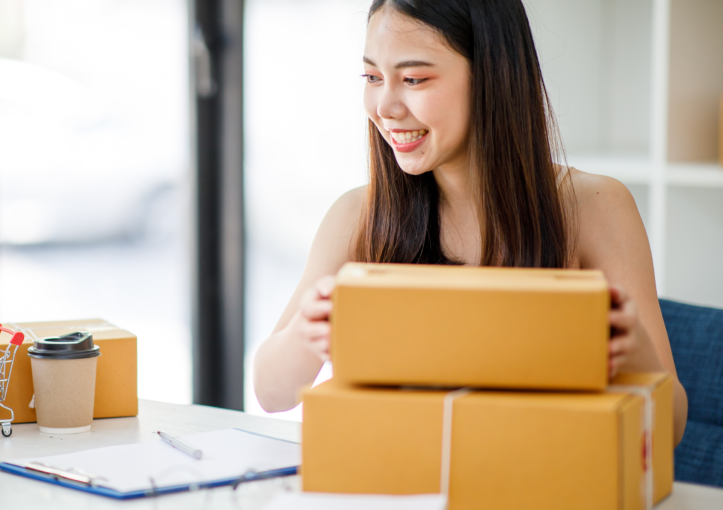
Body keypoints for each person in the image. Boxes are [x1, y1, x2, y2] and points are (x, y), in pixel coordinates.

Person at [252, 0, 688, 446]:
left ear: (492, 77)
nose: (384, 106)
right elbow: (270, 393)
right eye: (372, 78)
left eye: (414, 79)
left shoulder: (594, 207)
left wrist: (633, 349)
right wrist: (307, 333)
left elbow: (669, 429)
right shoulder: (358, 216)